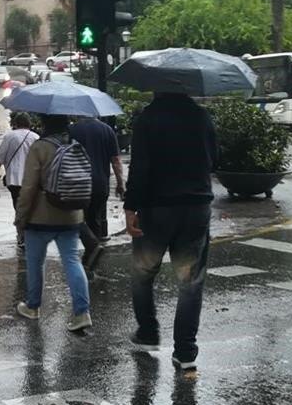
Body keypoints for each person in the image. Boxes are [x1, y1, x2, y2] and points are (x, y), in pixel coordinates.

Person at [124, 92, 219, 371]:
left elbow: (139, 168)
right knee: (190, 282)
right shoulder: (202, 117)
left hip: (156, 209)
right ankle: (186, 351)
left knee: (143, 274)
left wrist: (131, 208)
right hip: (196, 207)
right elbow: (215, 159)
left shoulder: (147, 119)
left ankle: (148, 332)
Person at [13, 113, 91, 332]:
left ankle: (33, 306)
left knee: (36, 263)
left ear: (45, 123)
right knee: (72, 261)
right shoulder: (75, 145)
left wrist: (20, 218)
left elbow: (28, 188)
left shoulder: (40, 148)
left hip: (40, 217)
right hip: (71, 215)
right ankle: (82, 312)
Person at [68, 115, 125, 273]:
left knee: (76, 219)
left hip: (77, 182)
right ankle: (92, 261)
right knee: (95, 219)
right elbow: (115, 160)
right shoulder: (107, 130)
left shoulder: (72, 129)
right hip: (100, 182)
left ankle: (88, 254)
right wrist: (120, 184)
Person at [0, 112, 38, 247]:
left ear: (15, 123)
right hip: (31, 180)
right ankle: (30, 233)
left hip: (14, 180)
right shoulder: (35, 137)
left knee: (18, 207)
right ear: (30, 124)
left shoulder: (9, 137)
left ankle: (22, 235)